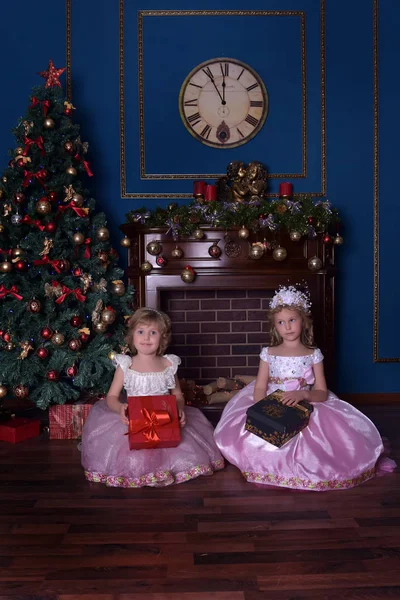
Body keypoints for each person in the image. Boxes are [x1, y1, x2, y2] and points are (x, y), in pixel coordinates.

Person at [214, 285, 396, 491]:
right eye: (281, 322)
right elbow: (260, 386)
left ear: (303, 321)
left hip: (304, 400)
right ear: (275, 326)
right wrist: (264, 409)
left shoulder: (313, 354)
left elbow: (321, 392)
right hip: (272, 402)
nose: (287, 327)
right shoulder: (268, 353)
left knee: (317, 439)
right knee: (258, 433)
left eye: (292, 320)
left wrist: (303, 394)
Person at [81, 307, 224, 488]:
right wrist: (120, 409)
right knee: (134, 452)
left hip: (164, 419)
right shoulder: (126, 365)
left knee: (174, 445)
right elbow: (111, 396)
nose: (146, 337)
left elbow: (177, 395)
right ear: (132, 335)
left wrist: (178, 409)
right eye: (141, 331)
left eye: (153, 332)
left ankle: (166, 470)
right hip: (133, 420)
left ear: (162, 338)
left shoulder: (168, 364)